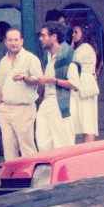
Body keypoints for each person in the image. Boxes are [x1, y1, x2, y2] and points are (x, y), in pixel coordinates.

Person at [0, 28, 43, 159]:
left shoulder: (30, 59)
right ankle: (12, 173)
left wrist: (24, 78)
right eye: (10, 40)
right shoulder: (3, 61)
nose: (13, 43)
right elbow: (0, 85)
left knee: (27, 147)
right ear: (5, 42)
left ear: (22, 41)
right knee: (8, 147)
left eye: (16, 40)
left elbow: (39, 81)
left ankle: (31, 172)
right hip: (5, 109)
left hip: (23, 109)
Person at [35, 21, 79, 151]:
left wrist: (51, 79)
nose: (40, 38)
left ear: (54, 37)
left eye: (43, 35)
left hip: (62, 102)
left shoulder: (68, 55)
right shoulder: (47, 55)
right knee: (43, 143)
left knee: (63, 144)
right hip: (47, 102)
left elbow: (75, 84)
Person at [70, 24, 100, 143]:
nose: (73, 35)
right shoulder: (85, 48)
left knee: (87, 121)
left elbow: (71, 61)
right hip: (84, 85)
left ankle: (89, 147)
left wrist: (71, 47)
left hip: (84, 87)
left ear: (83, 33)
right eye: (72, 32)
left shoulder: (85, 48)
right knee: (86, 120)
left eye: (76, 32)